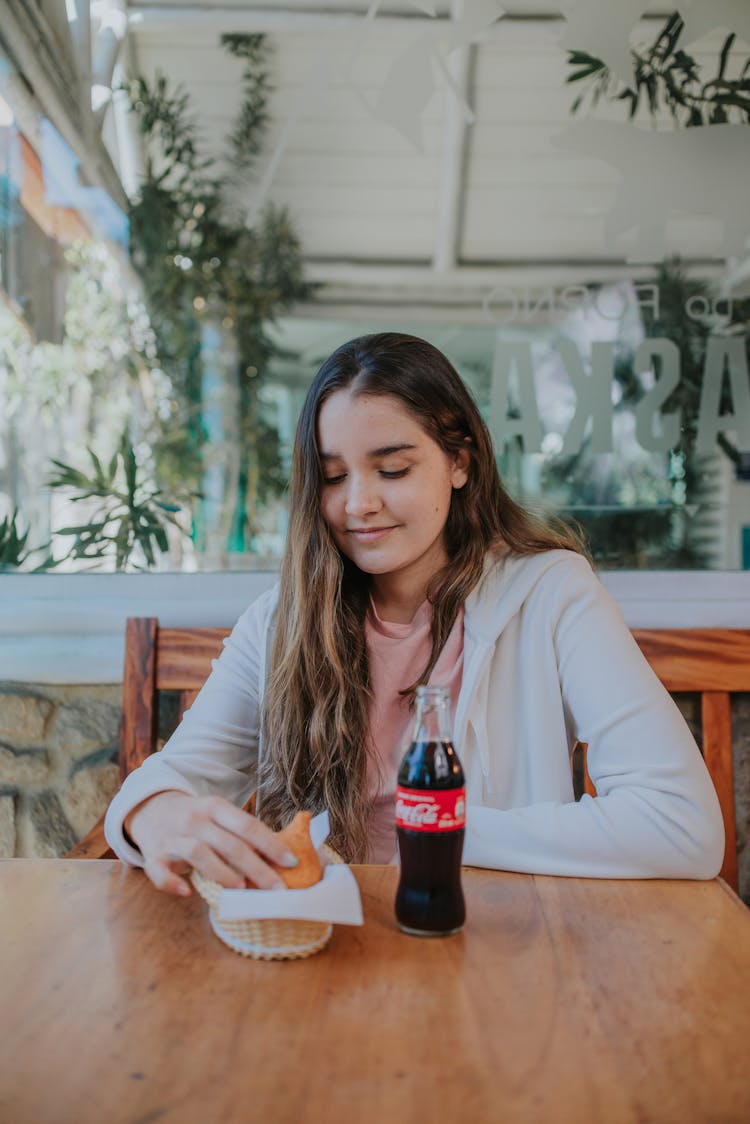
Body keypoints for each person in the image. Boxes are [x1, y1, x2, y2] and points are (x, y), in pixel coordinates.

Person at [104, 332, 725, 896]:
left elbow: (681, 822)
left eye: (393, 469)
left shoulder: (552, 595)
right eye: (332, 476)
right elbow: (172, 780)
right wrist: (154, 813)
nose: (359, 503)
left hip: (487, 945)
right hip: (319, 949)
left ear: (460, 459)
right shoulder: (280, 624)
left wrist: (439, 829)